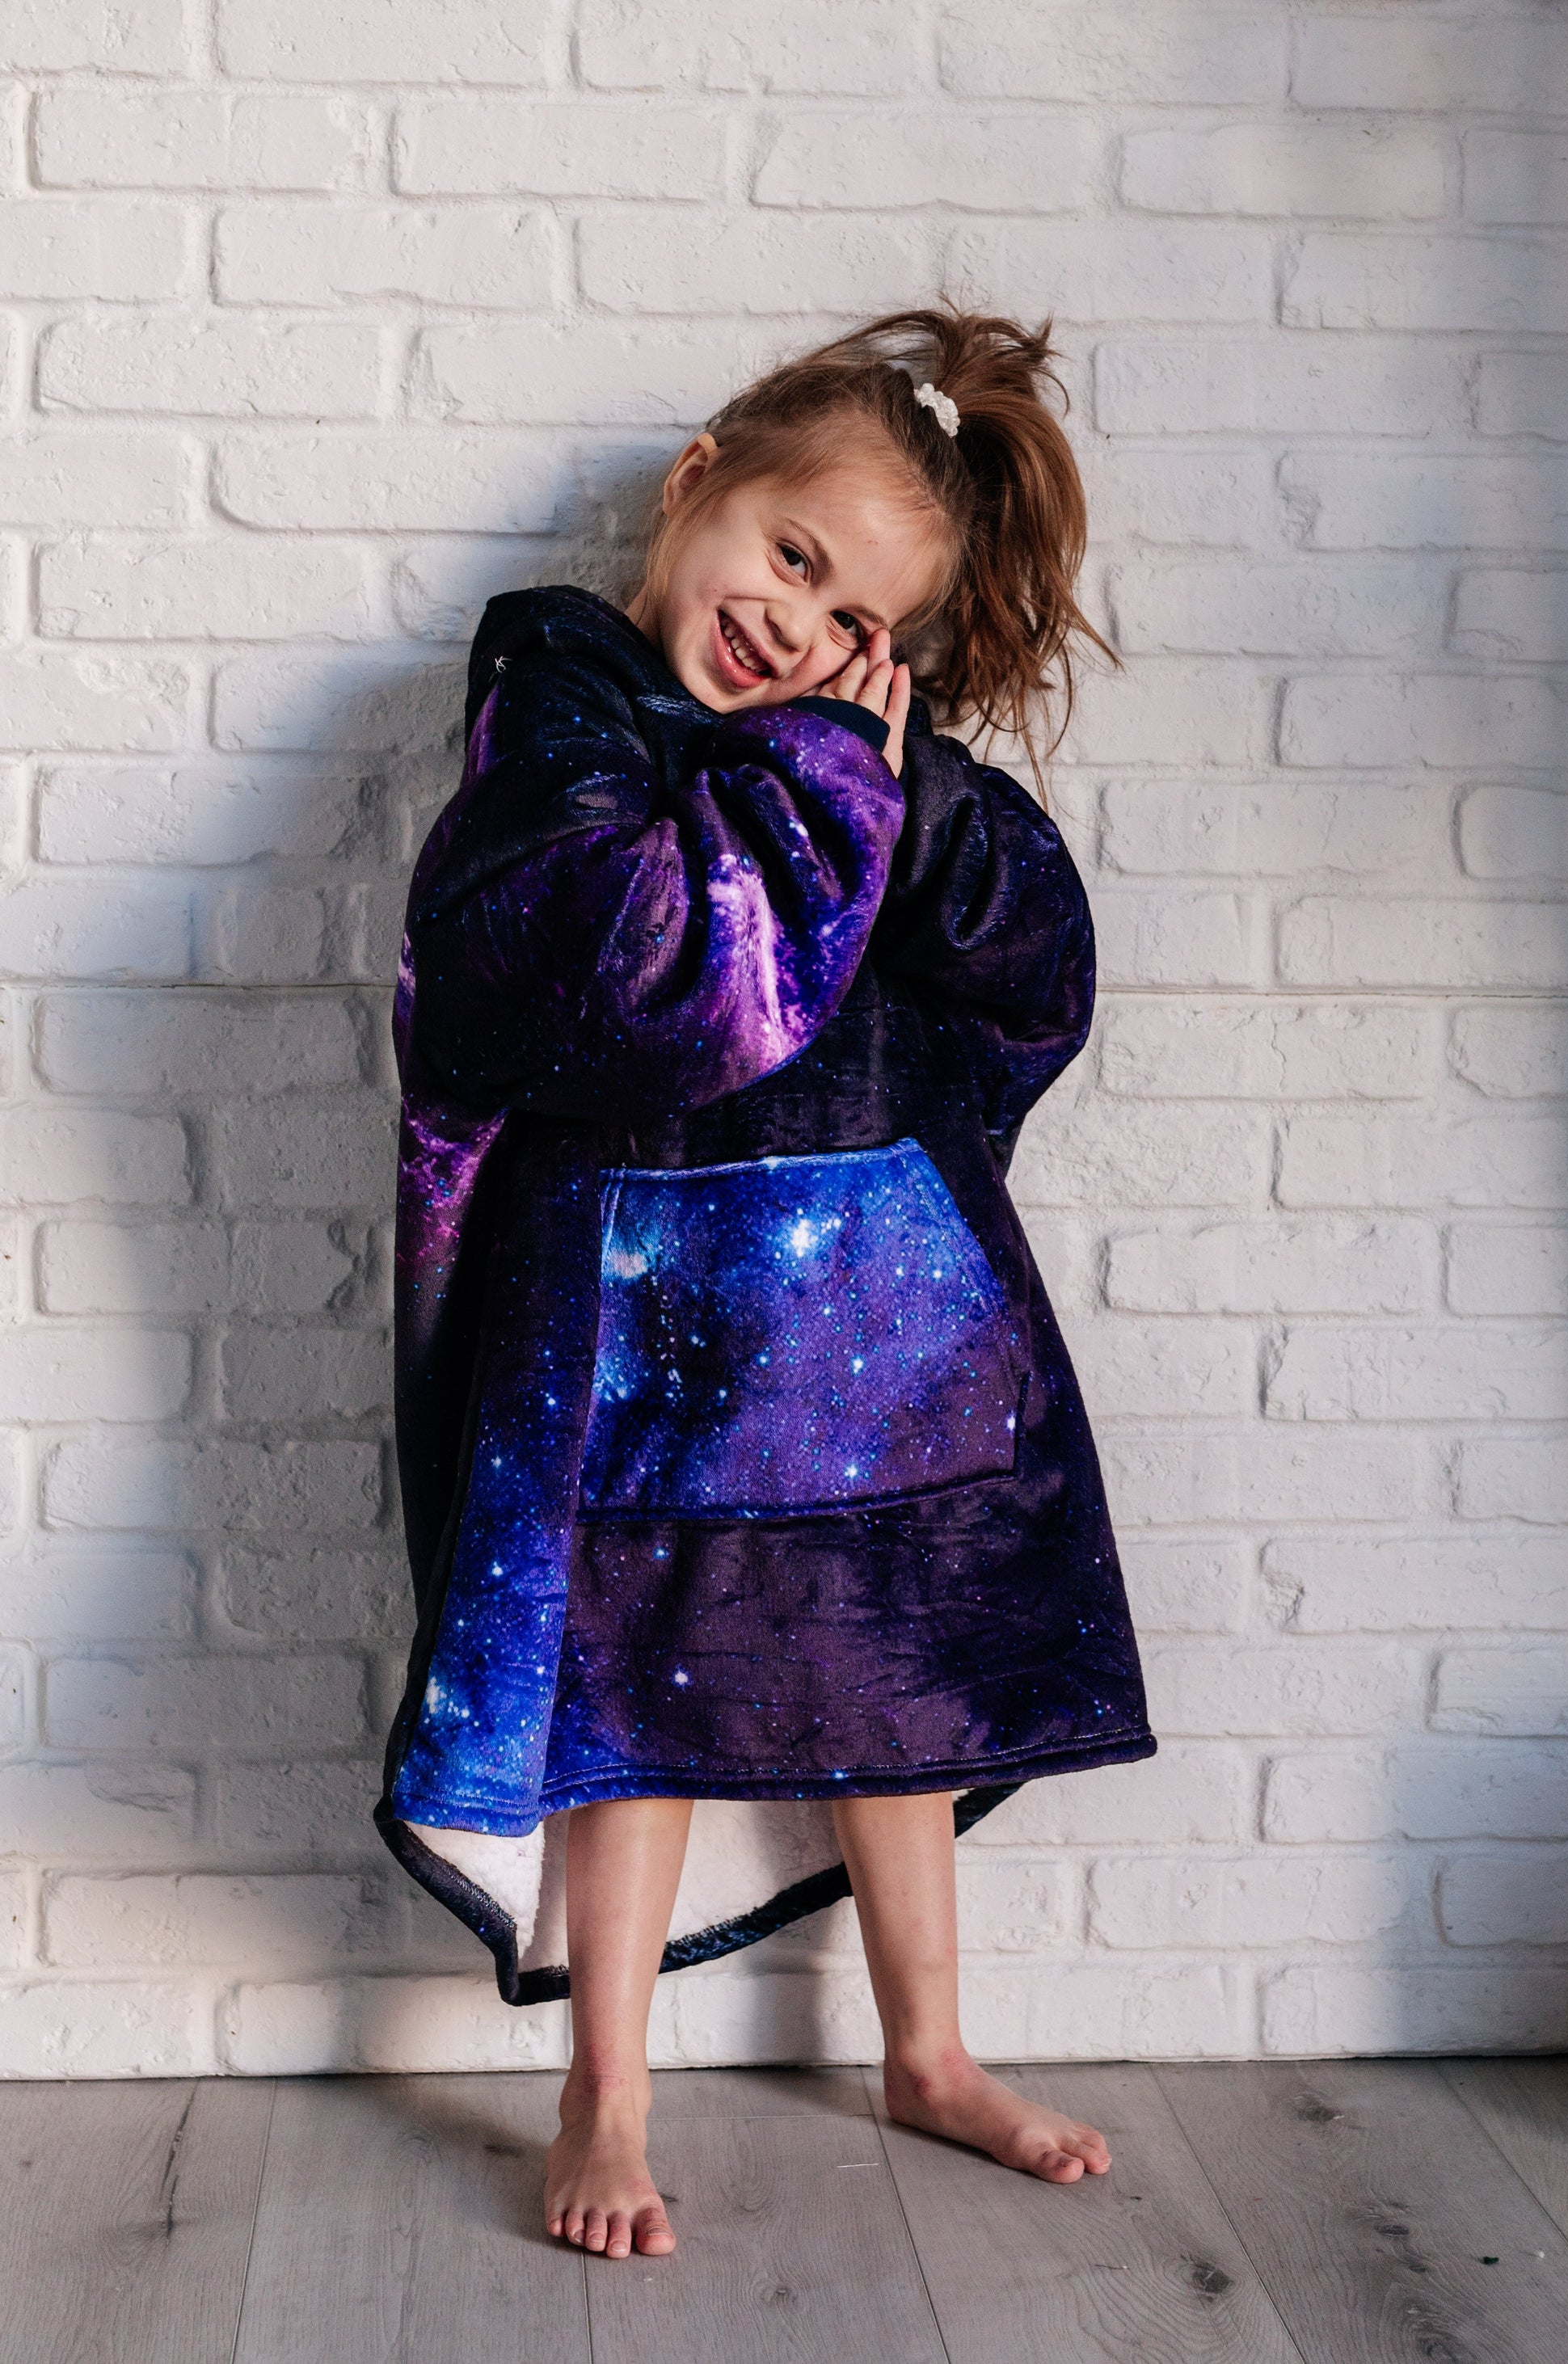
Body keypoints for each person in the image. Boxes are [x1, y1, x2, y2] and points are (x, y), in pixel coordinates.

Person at [374, 306, 1155, 2260]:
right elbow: (630, 955)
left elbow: (1028, 960)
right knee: (622, 1702)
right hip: (635, 1339)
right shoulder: (563, 704)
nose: (792, 628)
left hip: (865, 1333)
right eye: (790, 554)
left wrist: (895, 792)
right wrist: (818, 772)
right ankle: (606, 2091)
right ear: (697, 479)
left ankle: (930, 2048)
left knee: (900, 1680)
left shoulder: (869, 762)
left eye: (849, 619)